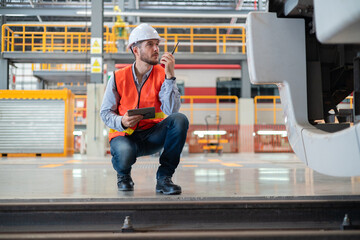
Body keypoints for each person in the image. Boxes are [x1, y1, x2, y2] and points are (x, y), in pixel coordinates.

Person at [100, 23, 189, 195]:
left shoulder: (163, 74)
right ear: (136, 50)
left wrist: (170, 76)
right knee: (124, 153)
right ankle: (124, 175)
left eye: (157, 44)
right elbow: (105, 113)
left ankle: (164, 179)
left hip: (152, 136)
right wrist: (122, 121)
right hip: (125, 136)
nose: (156, 49)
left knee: (180, 120)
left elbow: (171, 111)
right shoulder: (118, 77)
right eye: (150, 44)